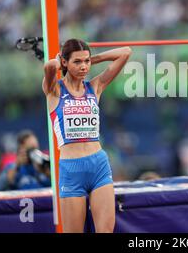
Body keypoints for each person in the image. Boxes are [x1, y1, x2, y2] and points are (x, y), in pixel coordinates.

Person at [42, 39, 131, 233]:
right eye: (77, 62)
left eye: (86, 62)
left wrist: (92, 59)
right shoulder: (54, 90)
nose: (84, 67)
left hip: (98, 165)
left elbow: (125, 52)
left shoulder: (95, 87)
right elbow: (49, 66)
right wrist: (60, 60)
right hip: (71, 170)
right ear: (64, 62)